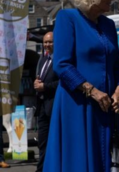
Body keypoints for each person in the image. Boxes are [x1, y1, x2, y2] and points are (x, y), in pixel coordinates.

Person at [43, 0, 119, 172]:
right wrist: (92, 91)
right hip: (78, 105)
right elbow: (62, 64)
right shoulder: (68, 18)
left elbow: (117, 66)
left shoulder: (108, 25)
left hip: (108, 107)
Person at [33, 31, 58, 172]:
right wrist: (36, 83)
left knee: (55, 142)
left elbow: (63, 82)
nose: (47, 45)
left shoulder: (60, 60)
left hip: (54, 106)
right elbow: (40, 78)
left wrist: (45, 86)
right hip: (42, 106)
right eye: (45, 42)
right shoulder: (42, 59)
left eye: (50, 42)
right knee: (42, 143)